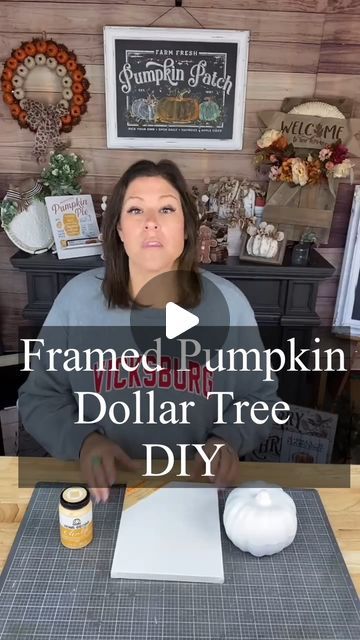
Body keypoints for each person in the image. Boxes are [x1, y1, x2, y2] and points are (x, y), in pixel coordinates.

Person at [18, 159, 280, 502]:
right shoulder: (75, 302)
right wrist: (84, 441)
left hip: (196, 490)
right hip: (101, 491)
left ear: (187, 227)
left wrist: (227, 440)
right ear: (119, 230)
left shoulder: (230, 305)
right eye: (136, 210)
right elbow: (39, 398)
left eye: (167, 209)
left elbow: (260, 398)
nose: (152, 223)